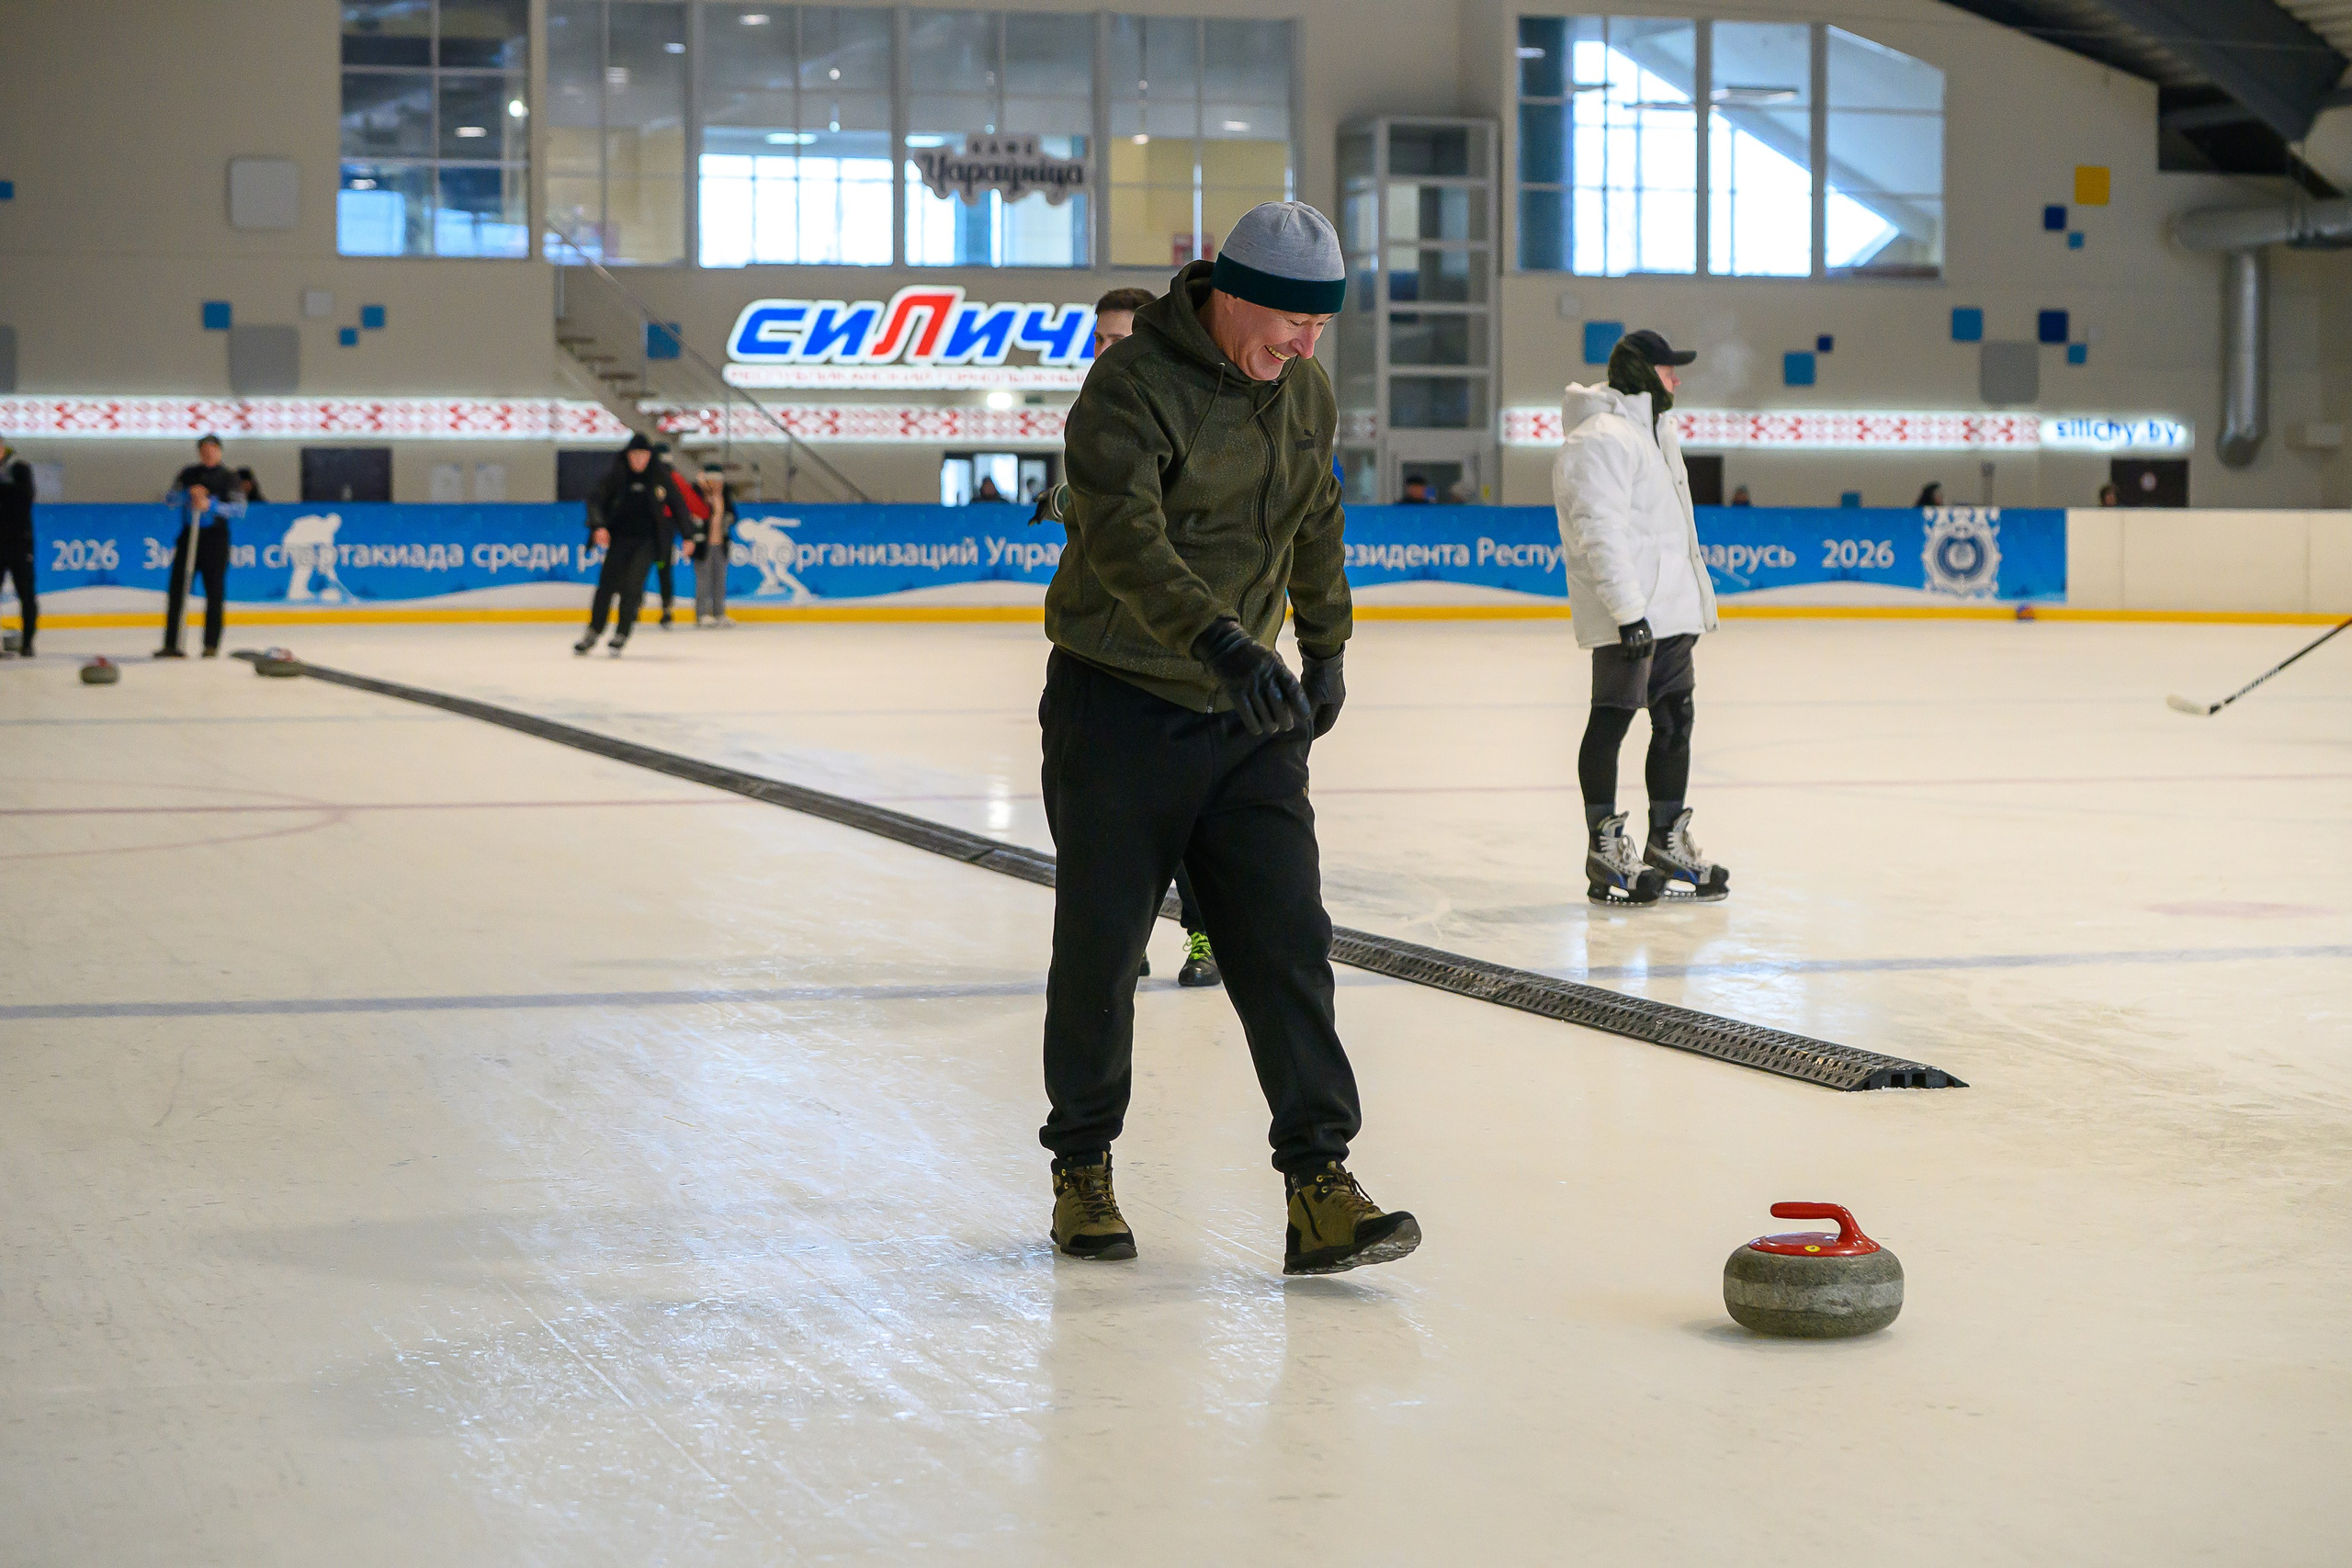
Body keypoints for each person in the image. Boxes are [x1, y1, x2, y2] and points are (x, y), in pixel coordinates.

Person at [1037, 198, 1419, 1277]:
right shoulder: (1131, 386)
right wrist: (1223, 644)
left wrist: (1325, 646)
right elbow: (1122, 537)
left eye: (1319, 330)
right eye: (1292, 323)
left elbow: (1316, 517)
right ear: (1235, 295)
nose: (1303, 347)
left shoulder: (1302, 394)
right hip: (1119, 703)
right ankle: (1082, 1169)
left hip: (1246, 716)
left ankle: (1318, 1186)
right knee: (1103, 952)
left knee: (1287, 940)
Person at [1030, 285, 1223, 989]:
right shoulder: (1097, 405)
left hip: (1175, 647)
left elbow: (1144, 512)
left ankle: (1204, 935)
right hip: (1096, 647)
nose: (1106, 353)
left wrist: (1063, 503)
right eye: (1100, 341)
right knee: (1078, 802)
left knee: (1182, 817)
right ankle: (1122, 928)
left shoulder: (1177, 403)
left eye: (1119, 340)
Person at [1553, 328, 1729, 907]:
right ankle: (1604, 847)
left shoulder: (1657, 434)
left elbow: (1669, 533)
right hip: (1632, 614)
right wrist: (1629, 613)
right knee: (1613, 720)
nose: (1676, 379)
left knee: (1676, 720)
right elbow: (1596, 531)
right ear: (1643, 373)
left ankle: (1665, 840)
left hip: (1673, 613)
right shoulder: (1601, 437)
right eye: (1668, 369)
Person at [574, 434, 683, 657]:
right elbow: (595, 500)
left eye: (643, 456)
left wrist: (690, 535)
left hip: (648, 542)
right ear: (628, 455)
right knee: (606, 585)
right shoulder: (618, 474)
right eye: (635, 455)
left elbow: (678, 504)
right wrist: (598, 526)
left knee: (633, 586)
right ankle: (593, 631)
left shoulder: (658, 476)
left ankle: (622, 632)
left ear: (649, 457)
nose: (639, 461)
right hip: (621, 539)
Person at [160, 434, 246, 658]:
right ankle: (173, 643)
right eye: (204, 451)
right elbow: (169, 499)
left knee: (214, 591)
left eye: (212, 451)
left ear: (219, 451)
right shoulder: (189, 473)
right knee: (178, 588)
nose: (208, 455)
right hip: (189, 536)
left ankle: (211, 644)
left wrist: (211, 505)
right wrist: (187, 494)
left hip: (215, 539)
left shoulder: (229, 477)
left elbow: (239, 509)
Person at [1, 439, 35, 659]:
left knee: (27, 594)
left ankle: (28, 643)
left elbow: (25, 497)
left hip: (20, 543)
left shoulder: (19, 467)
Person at [692, 462, 736, 627]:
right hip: (704, 546)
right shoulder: (698, 495)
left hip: (721, 545)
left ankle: (719, 613)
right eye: (713, 480)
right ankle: (701, 613)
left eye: (720, 480)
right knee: (703, 581)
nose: (717, 483)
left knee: (720, 580)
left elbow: (732, 516)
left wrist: (723, 517)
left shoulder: (725, 495)